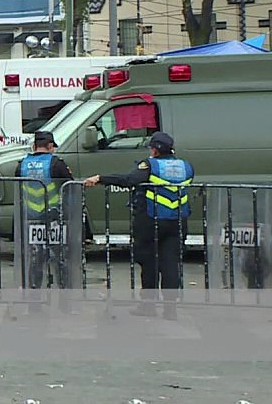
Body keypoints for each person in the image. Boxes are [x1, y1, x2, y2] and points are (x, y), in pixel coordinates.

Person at [84, 131, 193, 320]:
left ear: (155, 150)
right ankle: (170, 309)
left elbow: (129, 180)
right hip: (177, 221)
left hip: (151, 221)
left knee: (149, 263)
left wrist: (101, 178)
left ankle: (148, 306)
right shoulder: (186, 166)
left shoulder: (150, 165)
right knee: (170, 265)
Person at [17, 131, 74, 302]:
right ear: (50, 146)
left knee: (35, 260)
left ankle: (34, 300)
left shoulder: (22, 164)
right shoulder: (56, 163)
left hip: (31, 218)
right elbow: (70, 186)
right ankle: (65, 301)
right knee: (60, 259)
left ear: (34, 146)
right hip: (54, 218)